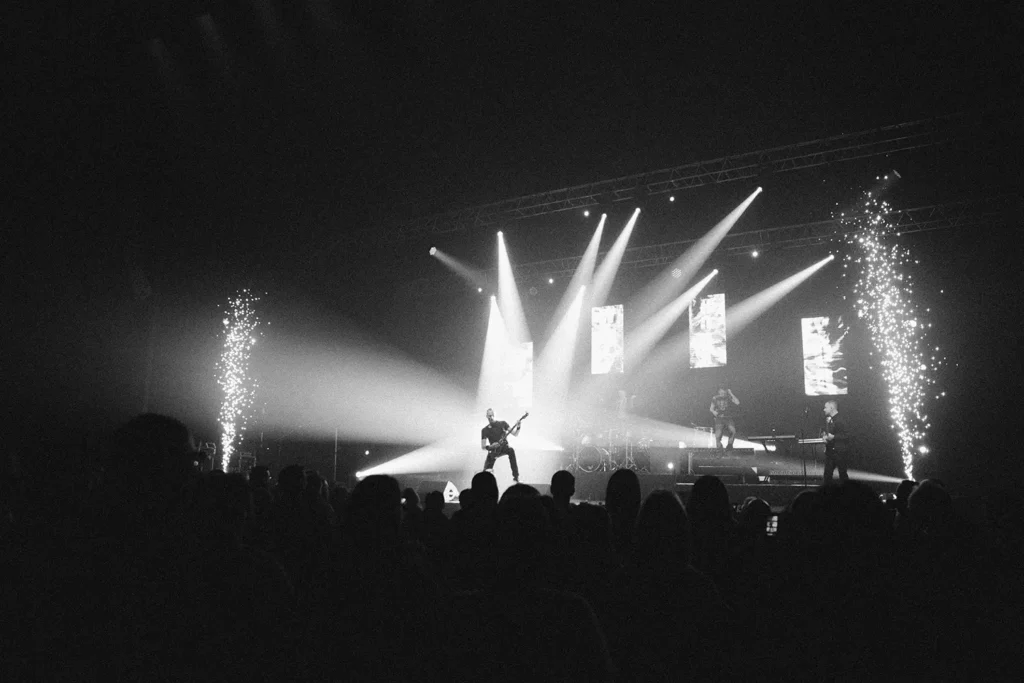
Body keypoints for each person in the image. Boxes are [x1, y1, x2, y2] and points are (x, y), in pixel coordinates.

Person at [481, 408, 521, 483]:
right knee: (486, 471)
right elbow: (483, 446)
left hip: (504, 448)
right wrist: (490, 446)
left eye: (492, 415)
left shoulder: (503, 424)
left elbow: (515, 434)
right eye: (489, 416)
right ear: (486, 416)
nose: (491, 417)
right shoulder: (485, 430)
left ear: (495, 415)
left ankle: (516, 477)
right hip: (494, 451)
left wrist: (518, 426)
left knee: (511, 450)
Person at [822, 399, 850, 484]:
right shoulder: (830, 420)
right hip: (830, 452)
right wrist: (825, 437)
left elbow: (847, 435)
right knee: (827, 475)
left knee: (842, 474)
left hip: (839, 452)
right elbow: (829, 434)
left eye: (825, 407)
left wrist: (834, 437)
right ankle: (827, 494)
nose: (824, 409)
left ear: (831, 407)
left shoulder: (841, 420)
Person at [710, 386, 740, 451]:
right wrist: (713, 412)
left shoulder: (728, 397)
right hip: (719, 418)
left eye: (724, 393)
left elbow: (737, 402)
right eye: (721, 393)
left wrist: (731, 393)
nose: (722, 394)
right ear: (719, 392)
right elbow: (711, 408)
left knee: (733, 431)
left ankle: (729, 445)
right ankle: (719, 447)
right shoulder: (715, 398)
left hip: (728, 417)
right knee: (718, 435)